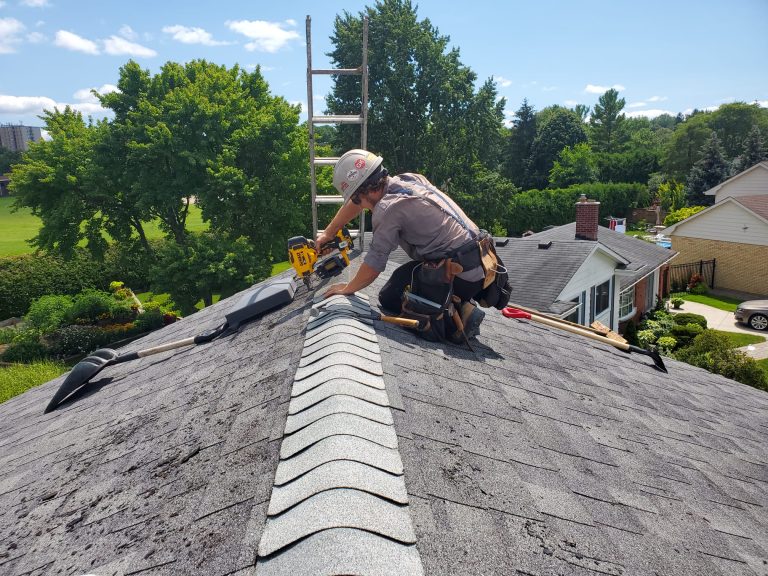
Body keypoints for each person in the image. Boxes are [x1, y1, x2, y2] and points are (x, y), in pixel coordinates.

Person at [317, 148, 490, 340]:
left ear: (363, 193)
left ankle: (456, 316)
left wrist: (347, 289)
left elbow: (373, 266)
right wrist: (328, 233)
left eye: (356, 198)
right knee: (399, 280)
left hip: (460, 274)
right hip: (482, 260)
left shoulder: (388, 209)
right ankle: (452, 299)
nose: (358, 205)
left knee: (390, 297)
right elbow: (358, 201)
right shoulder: (408, 179)